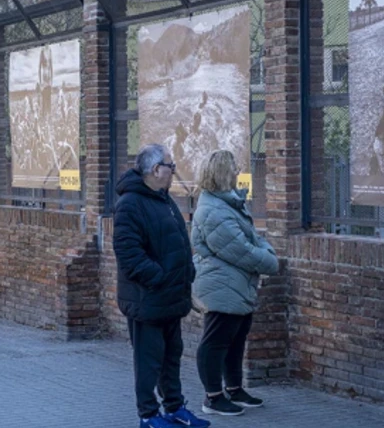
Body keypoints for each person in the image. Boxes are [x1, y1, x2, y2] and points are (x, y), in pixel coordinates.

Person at [113, 144, 210, 428]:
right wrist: (159, 278)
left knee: (171, 358)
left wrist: (186, 273)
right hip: (148, 299)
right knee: (149, 362)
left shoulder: (163, 200)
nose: (173, 171)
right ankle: (148, 415)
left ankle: (175, 408)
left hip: (170, 298)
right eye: (171, 166)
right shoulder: (130, 204)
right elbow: (129, 254)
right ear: (156, 170)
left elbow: (177, 240)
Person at [190, 150, 278, 417]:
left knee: (236, 340)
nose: (238, 172)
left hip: (235, 284)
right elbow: (241, 250)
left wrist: (265, 250)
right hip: (221, 287)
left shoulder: (227, 204)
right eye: (234, 168)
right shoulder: (213, 211)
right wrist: (270, 261)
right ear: (221, 173)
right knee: (216, 341)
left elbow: (253, 238)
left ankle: (235, 389)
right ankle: (213, 397)